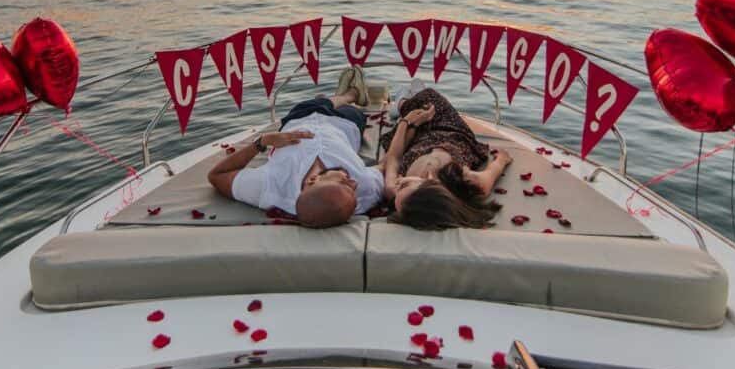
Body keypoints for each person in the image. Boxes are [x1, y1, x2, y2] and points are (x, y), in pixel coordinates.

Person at [207, 67, 384, 228]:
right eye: (352, 190)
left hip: (300, 120)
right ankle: (349, 96)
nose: (354, 182)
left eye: (344, 183)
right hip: (345, 126)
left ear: (312, 181)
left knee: (311, 105)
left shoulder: (269, 187)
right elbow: (385, 166)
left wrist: (263, 141)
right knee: (353, 112)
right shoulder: (365, 190)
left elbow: (217, 175)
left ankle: (342, 96)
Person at [382, 86, 510, 230]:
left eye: (397, 191)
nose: (397, 182)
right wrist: (502, 158)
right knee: (430, 97)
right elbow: (500, 163)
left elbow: (394, 157)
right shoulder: (465, 182)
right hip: (453, 131)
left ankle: (402, 104)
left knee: (418, 107)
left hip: (417, 136)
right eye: (403, 185)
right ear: (429, 183)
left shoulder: (392, 189)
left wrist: (405, 123)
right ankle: (406, 101)